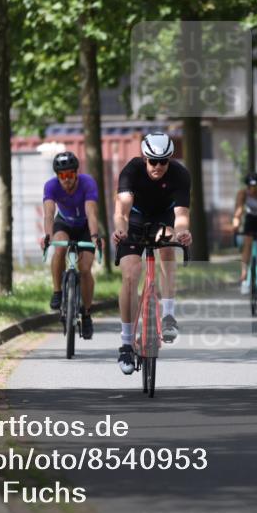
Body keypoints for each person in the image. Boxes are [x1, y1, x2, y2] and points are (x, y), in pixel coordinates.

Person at [112, 132, 192, 375]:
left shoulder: (179, 174)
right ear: (144, 158)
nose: (158, 167)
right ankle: (126, 343)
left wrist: (183, 233)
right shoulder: (132, 171)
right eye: (153, 161)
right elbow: (122, 210)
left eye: (163, 161)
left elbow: (180, 215)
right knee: (130, 275)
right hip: (133, 221)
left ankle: (168, 315)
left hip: (163, 220)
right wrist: (120, 230)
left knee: (168, 245)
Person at [41, 152, 103, 338]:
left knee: (84, 269)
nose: (66, 179)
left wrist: (94, 236)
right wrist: (47, 236)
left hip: (85, 226)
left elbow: (91, 213)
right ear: (57, 176)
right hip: (64, 223)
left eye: (69, 175)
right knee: (59, 248)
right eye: (62, 176)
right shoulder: (51, 186)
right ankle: (58, 291)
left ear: (76, 173)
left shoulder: (87, 183)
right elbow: (49, 213)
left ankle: (86, 314)